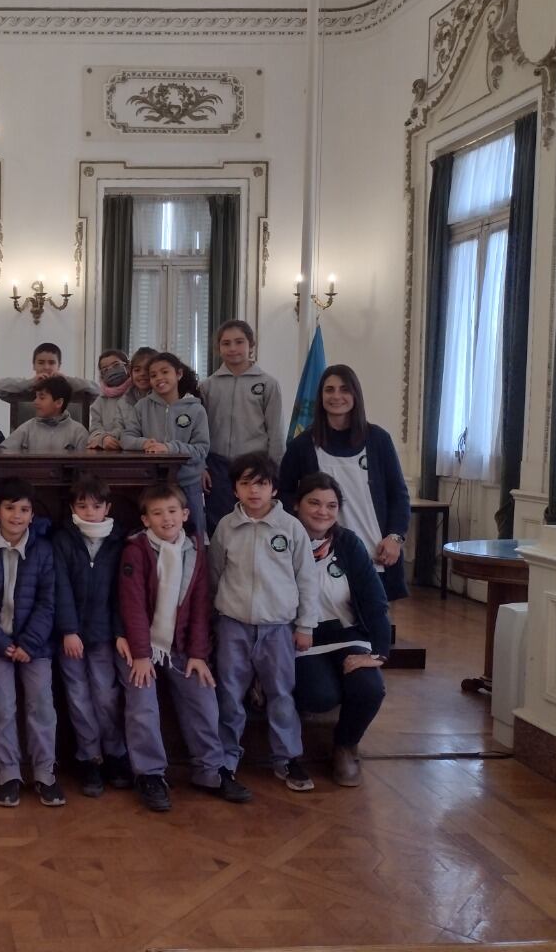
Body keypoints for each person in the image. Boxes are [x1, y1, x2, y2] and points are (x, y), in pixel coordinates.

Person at [116, 483, 252, 812]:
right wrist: (142, 656)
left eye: (173, 512)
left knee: (203, 698)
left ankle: (211, 769)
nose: (167, 519)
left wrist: (197, 655)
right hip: (140, 646)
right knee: (143, 704)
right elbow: (132, 607)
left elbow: (200, 606)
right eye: (158, 513)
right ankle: (150, 774)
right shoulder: (136, 550)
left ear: (185, 514)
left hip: (179, 646)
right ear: (146, 520)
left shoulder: (195, 551)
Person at [211, 452, 320, 793]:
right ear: (235, 490)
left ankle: (286, 757)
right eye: (245, 483)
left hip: (277, 628)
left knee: (281, 694)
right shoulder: (226, 527)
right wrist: (218, 617)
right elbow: (215, 574)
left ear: (274, 488)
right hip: (233, 625)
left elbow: (307, 580)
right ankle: (227, 757)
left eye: (261, 483)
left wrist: (305, 626)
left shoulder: (290, 528)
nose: (254, 491)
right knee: (229, 694)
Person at [291, 472, 391, 787]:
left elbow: (375, 602)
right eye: (315, 503)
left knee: (369, 687)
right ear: (296, 506)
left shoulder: (348, 543)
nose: (323, 512)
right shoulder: (283, 540)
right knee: (320, 696)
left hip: (348, 636)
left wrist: (379, 654)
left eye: (331, 505)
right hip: (304, 638)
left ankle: (346, 745)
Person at [279, 364, 411, 601]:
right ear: (320, 397)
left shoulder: (378, 440)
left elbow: (398, 494)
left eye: (344, 389)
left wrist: (395, 537)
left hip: (374, 553)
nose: (336, 396)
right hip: (318, 554)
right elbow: (285, 494)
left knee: (373, 625)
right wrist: (304, 534)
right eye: (329, 390)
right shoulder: (303, 445)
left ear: (355, 395)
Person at [0, 478, 65, 807]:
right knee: (2, 706)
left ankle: (45, 774)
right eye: (9, 508)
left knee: (41, 705)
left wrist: (29, 642)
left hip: (35, 646)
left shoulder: (42, 550)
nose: (16, 516)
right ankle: (9, 774)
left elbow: (47, 602)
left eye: (24, 510)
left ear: (31, 514)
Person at [53, 476, 130, 797]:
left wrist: (118, 632)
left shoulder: (118, 541)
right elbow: (60, 588)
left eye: (96, 506)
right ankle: (89, 757)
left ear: (107, 509)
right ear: (72, 507)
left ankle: (115, 753)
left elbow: (121, 595)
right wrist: (69, 630)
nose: (89, 512)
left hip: (103, 636)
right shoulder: (63, 539)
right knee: (78, 698)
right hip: (70, 637)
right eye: (82, 506)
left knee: (106, 696)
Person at [200, 320, 285, 536]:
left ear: (251, 345)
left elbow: (276, 431)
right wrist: (201, 466)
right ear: (219, 348)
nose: (233, 348)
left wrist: (273, 471)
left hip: (255, 466)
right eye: (226, 343)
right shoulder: (208, 386)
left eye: (239, 342)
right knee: (220, 526)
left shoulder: (268, 384)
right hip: (218, 467)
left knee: (254, 524)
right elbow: (199, 432)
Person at [120, 352, 209, 537]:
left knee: (194, 534)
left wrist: (170, 448)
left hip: (188, 482)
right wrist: (144, 443)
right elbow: (126, 438)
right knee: (153, 535)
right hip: (152, 482)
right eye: (153, 375)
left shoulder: (196, 409)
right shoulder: (142, 407)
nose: (159, 378)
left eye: (164, 372)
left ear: (178, 374)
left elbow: (201, 449)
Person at [0, 342, 100, 407]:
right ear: (34, 365)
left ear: (59, 366)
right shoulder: (25, 391)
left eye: (52, 363)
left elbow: (96, 391)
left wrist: (67, 380)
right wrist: (30, 383)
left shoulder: (70, 391)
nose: (46, 367)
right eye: (41, 363)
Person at [0, 375, 89, 452]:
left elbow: (85, 466)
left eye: (41, 398)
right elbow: (3, 451)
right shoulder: (27, 428)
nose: (35, 402)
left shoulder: (78, 432)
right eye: (36, 397)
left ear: (58, 403)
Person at [87, 349, 132, 451]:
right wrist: (103, 439)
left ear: (127, 367)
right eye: (105, 369)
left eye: (116, 365)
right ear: (102, 375)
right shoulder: (99, 402)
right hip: (110, 454)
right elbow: (94, 430)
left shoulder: (136, 394)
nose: (111, 370)